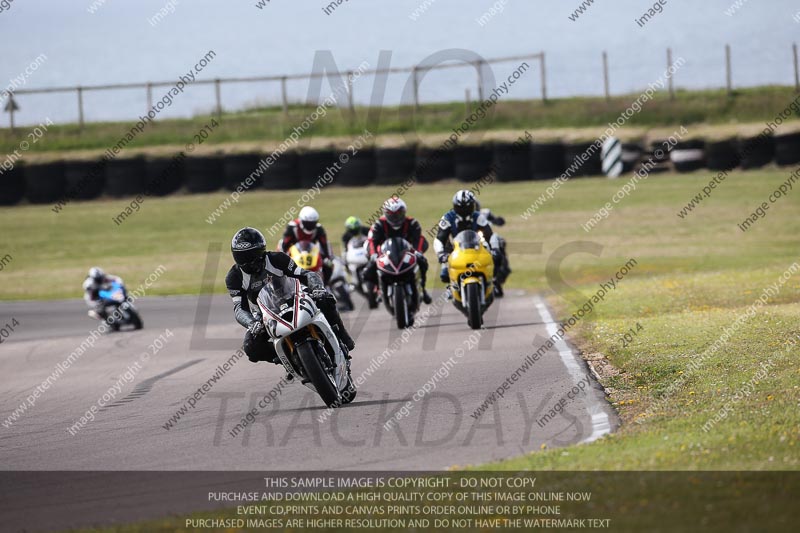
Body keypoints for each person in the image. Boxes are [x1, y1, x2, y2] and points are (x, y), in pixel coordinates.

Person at [226, 227, 355, 365]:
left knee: (326, 299)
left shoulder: (277, 259)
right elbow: (239, 308)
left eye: (253, 255)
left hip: (295, 297)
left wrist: (317, 288)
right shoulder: (234, 277)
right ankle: (289, 360)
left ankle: (343, 338)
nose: (249, 262)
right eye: (243, 257)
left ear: (262, 251)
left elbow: (306, 274)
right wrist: (251, 323)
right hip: (263, 314)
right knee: (250, 348)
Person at [434, 190, 503, 295]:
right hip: (455, 247)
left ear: (472, 206)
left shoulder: (478, 216)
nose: (464, 210)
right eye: (461, 207)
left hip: (477, 245)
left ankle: (492, 280)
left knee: (497, 257)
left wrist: (495, 248)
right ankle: (452, 286)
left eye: (467, 207)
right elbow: (439, 238)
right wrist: (440, 253)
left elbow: (490, 235)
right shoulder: (447, 218)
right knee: (444, 274)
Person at [364, 197, 432, 304]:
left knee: (423, 262)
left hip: (407, 253)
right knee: (367, 271)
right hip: (385, 255)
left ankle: (422, 288)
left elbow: (418, 239)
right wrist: (373, 255)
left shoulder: (412, 223)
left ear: (404, 212)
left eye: (398, 214)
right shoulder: (378, 224)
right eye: (392, 215)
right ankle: (378, 289)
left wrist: (418, 251)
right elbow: (372, 241)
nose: (395, 218)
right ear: (386, 214)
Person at [280, 206, 334, 283]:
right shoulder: (292, 227)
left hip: (312, 252)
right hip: (295, 254)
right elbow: (285, 244)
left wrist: (327, 258)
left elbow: (324, 244)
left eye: (313, 224)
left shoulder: (319, 229)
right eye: (307, 224)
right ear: (301, 220)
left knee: (328, 264)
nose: (310, 226)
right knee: (280, 266)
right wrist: (284, 257)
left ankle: (325, 285)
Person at [474, 199, 511, 296]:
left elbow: (496, 220)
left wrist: (497, 220)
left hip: (486, 237)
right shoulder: (462, 218)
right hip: (472, 241)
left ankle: (501, 267)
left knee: (500, 241)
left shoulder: (485, 213)